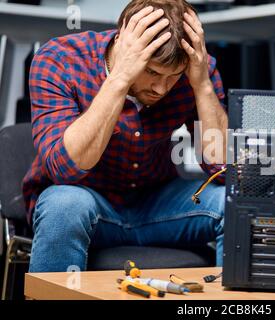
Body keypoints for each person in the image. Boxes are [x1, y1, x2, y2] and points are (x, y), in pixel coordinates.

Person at [23, 0, 228, 272]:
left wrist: (201, 84)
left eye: (173, 76)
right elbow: (65, 170)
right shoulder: (60, 59)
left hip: (160, 207)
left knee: (235, 203)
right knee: (65, 205)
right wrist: (120, 78)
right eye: (152, 71)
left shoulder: (197, 67)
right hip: (86, 204)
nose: (161, 88)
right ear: (122, 44)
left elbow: (224, 169)